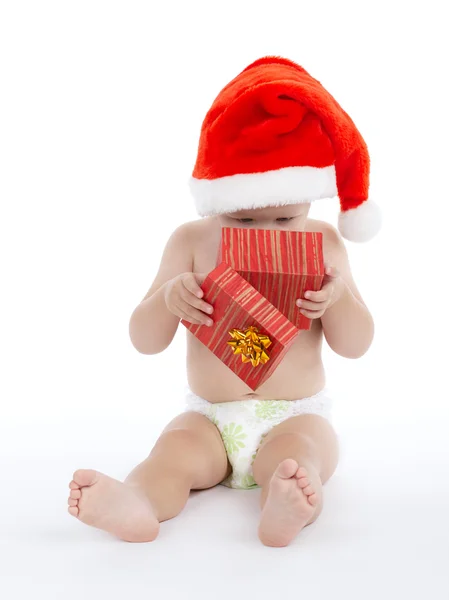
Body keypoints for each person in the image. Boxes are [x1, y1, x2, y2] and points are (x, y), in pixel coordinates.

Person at [67, 56, 381, 547]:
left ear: (308, 201)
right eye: (246, 221)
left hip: (294, 413)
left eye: (284, 221)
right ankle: (139, 501)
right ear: (217, 199)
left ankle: (287, 505)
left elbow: (357, 345)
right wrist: (170, 299)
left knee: (301, 455)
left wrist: (335, 299)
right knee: (173, 452)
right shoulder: (191, 241)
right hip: (211, 418)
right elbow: (143, 341)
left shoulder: (325, 245)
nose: (267, 234)